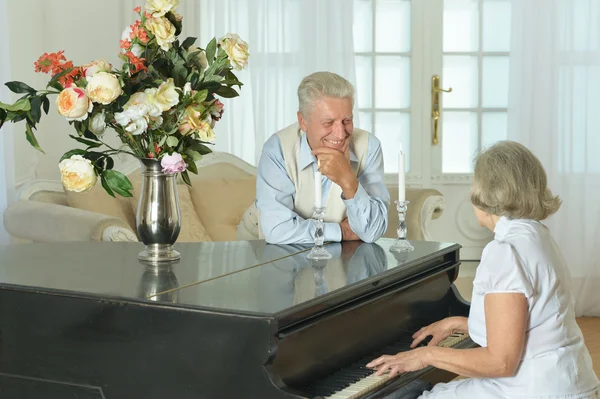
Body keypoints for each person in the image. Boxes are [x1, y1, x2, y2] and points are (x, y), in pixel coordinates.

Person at [367, 141, 600, 398]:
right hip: (571, 384)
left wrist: (425, 355)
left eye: (475, 184)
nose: (471, 194)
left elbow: (500, 362)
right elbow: (533, 321)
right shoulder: (538, 236)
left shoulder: (504, 251)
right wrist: (460, 322)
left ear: (489, 191)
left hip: (533, 390)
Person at [248, 71, 390, 245]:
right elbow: (277, 230)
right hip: (260, 247)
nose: (340, 134)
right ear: (303, 121)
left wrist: (348, 181)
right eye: (328, 123)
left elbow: (372, 231)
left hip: (336, 253)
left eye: (347, 121)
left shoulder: (369, 147)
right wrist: (340, 231)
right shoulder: (278, 149)